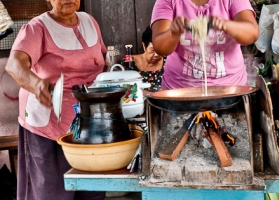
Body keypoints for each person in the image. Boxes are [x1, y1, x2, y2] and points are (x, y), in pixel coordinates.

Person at [5, 0, 106, 199]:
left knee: (92, 190)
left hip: (88, 124)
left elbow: (101, 60)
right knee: (52, 192)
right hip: (49, 125)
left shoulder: (90, 22)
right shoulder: (37, 27)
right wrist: (36, 85)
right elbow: (14, 65)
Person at [150, 0, 259, 90]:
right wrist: (174, 32)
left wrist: (224, 25)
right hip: (180, 91)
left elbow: (252, 33)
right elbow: (160, 47)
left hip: (231, 89)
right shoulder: (168, 1)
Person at [131, 26, 165, 92]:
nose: (156, 54)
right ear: (144, 46)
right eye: (152, 50)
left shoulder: (168, 62)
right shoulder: (129, 63)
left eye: (160, 49)